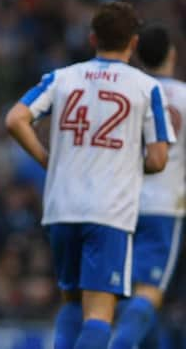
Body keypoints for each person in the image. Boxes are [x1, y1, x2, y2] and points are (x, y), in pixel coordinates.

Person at [5, 1, 175, 349]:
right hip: (108, 211)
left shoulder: (63, 77)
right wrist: (126, 162)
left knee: (70, 300)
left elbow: (15, 119)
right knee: (98, 312)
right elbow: (158, 159)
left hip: (61, 207)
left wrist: (46, 159)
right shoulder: (146, 88)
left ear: (92, 37)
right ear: (134, 43)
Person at [110, 25, 186, 349]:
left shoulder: (127, 94)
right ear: (172, 54)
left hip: (120, 205)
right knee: (150, 292)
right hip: (165, 208)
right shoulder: (184, 96)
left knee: (128, 290)